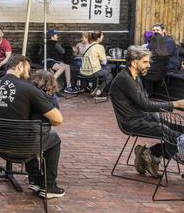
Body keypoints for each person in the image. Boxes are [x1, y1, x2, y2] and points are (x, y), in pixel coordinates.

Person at [0, 54, 65, 199]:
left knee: (28, 132)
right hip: (21, 148)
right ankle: (49, 186)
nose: (28, 75)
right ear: (19, 66)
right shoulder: (28, 89)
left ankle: (35, 179)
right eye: (27, 70)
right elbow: (58, 119)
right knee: (53, 138)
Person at [109, 46, 184, 178]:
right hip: (133, 123)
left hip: (145, 118)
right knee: (178, 137)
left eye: (149, 62)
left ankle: (150, 153)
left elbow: (145, 104)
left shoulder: (135, 76)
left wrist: (168, 113)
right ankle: (152, 154)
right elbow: (146, 105)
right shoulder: (125, 79)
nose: (148, 65)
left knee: (181, 130)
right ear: (133, 62)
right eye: (145, 62)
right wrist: (176, 104)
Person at [79, 30, 112, 100]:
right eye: (102, 36)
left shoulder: (87, 46)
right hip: (92, 72)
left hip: (83, 71)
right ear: (98, 38)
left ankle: (96, 89)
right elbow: (104, 62)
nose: (103, 37)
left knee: (105, 73)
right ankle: (99, 91)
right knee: (109, 71)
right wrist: (104, 58)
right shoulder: (99, 47)